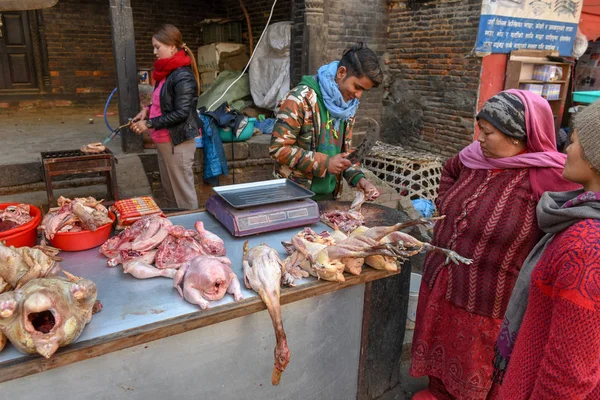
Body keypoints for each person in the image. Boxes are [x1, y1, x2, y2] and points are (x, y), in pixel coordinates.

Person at [410, 90, 581, 400]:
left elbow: (572, 217)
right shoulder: (474, 158)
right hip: (445, 279)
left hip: (492, 295)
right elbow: (449, 171)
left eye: (488, 133)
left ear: (518, 138)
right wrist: (447, 204)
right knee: (441, 343)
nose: (480, 139)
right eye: (480, 130)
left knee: (478, 361)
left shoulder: (551, 175)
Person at [495, 100, 600, 399]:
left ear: (594, 157)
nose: (566, 148)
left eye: (575, 141)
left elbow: (567, 375)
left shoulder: (586, 246)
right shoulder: (576, 216)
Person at [269, 43, 383, 201]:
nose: (358, 95)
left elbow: (343, 158)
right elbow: (278, 149)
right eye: (357, 87)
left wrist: (359, 179)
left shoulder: (347, 108)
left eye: (364, 90)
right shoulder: (300, 99)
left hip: (329, 198)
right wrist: (325, 163)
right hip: (294, 197)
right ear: (341, 73)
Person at [131, 24, 202, 210]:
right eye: (153, 47)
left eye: (157, 47)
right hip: (164, 141)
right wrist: (146, 110)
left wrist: (150, 123)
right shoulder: (166, 72)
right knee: (170, 193)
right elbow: (162, 101)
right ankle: (177, 231)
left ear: (172, 46)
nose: (155, 51)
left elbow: (181, 113)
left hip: (177, 142)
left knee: (183, 196)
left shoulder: (183, 76)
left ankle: (193, 232)